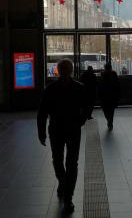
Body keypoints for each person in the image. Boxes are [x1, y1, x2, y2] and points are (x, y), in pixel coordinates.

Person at [37, 58, 88, 214]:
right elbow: (87, 108)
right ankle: (68, 197)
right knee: (72, 162)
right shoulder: (80, 88)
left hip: (56, 129)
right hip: (73, 129)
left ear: (58, 70)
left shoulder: (50, 89)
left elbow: (42, 113)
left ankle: (63, 183)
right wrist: (80, 121)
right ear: (72, 70)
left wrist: (41, 132)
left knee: (57, 159)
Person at [99, 63, 120, 130]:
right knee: (111, 110)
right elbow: (117, 85)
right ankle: (110, 122)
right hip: (112, 95)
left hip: (105, 95)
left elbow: (101, 85)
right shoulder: (114, 74)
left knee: (105, 110)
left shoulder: (103, 74)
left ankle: (109, 121)